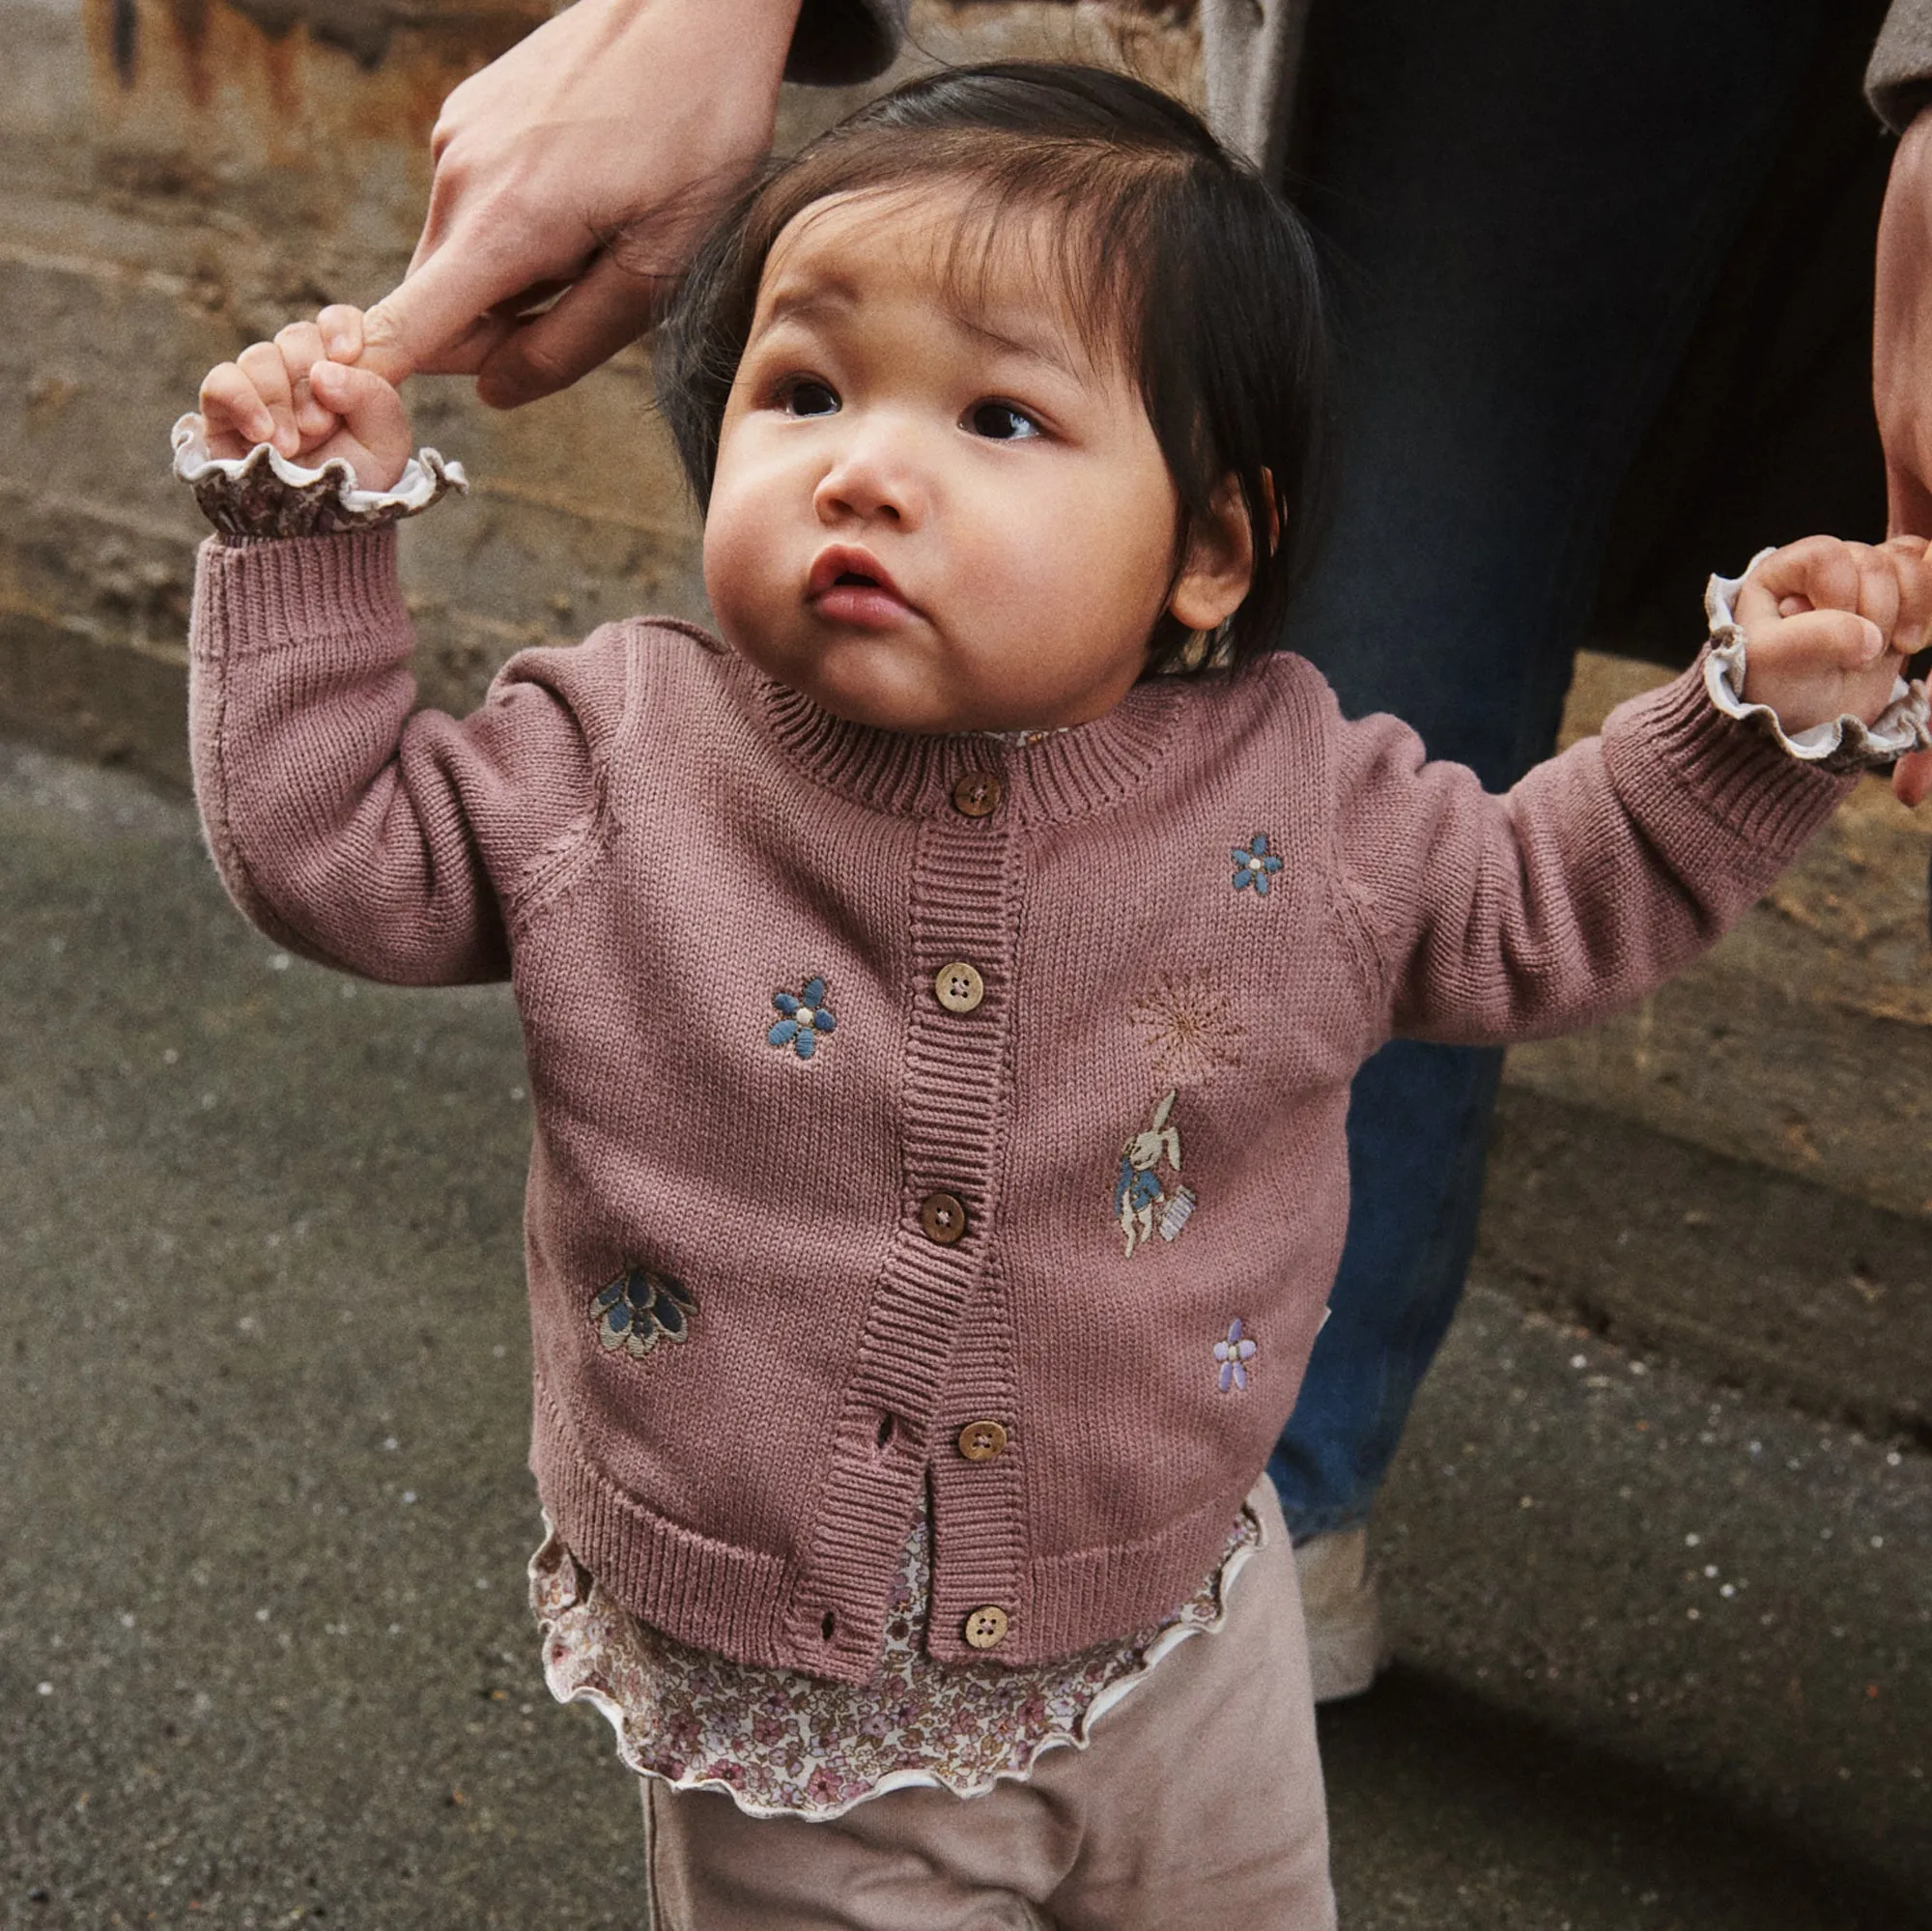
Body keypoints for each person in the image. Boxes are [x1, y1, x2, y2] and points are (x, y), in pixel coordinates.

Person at [177, 63, 1930, 1925]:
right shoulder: (613, 757)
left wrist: (1753, 732)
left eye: (1002, 411)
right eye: (803, 390)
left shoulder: (1294, 799)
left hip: (1187, 1634)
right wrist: (306, 537)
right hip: (800, 1709)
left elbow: (1530, 905)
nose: (861, 463)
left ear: (1210, 552)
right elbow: (333, 850)